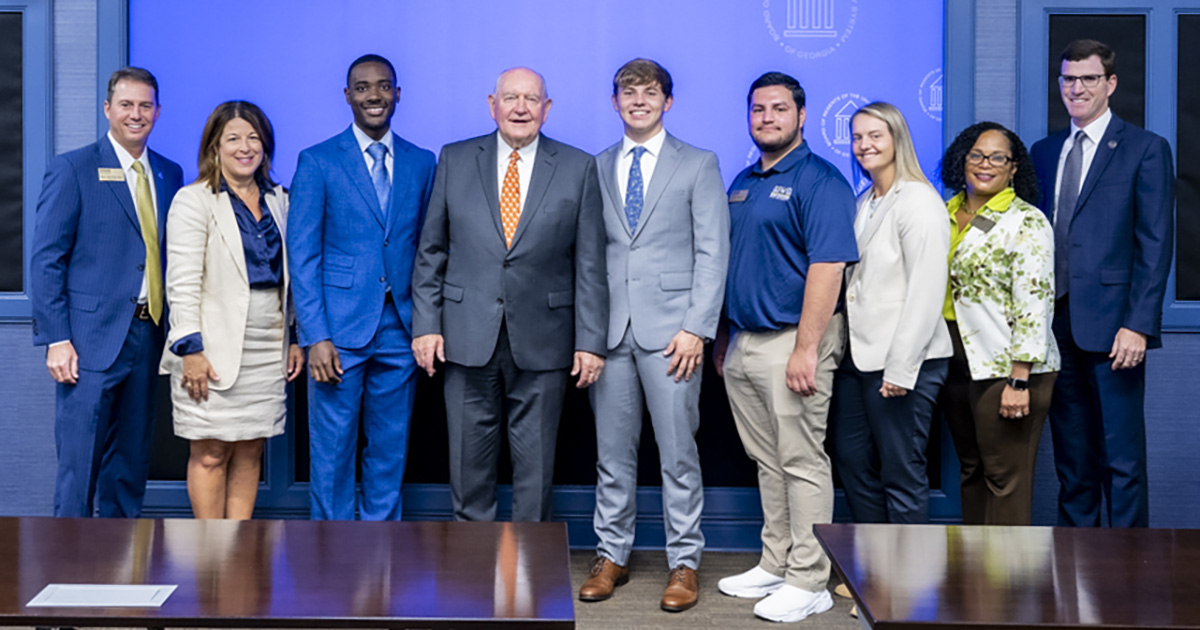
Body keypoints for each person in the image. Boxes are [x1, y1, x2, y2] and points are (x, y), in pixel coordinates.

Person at [411, 67, 607, 523]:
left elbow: (590, 264)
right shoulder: (455, 159)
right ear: (492, 103)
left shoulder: (579, 167)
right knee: (467, 467)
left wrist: (591, 340)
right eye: (511, 97)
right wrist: (426, 326)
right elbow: (430, 252)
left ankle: (527, 577)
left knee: (535, 471)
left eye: (532, 99)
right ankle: (474, 570)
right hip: (464, 337)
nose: (521, 108)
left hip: (546, 339)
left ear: (547, 108)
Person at [578, 58, 730, 612]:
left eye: (650, 91)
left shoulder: (698, 163)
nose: (638, 99)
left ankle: (684, 562)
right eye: (627, 91)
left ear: (668, 101)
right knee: (612, 455)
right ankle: (611, 554)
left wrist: (697, 328)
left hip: (674, 336)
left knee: (677, 454)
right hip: (611, 332)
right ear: (614, 101)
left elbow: (714, 252)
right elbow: (589, 258)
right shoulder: (595, 166)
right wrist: (588, 333)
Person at [713, 71, 858, 624]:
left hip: (794, 343)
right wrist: (726, 336)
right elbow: (736, 264)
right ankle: (776, 562)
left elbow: (827, 267)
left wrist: (807, 348)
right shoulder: (744, 179)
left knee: (801, 461)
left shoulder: (820, 181)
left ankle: (809, 578)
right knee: (767, 460)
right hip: (746, 341)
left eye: (778, 109)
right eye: (758, 110)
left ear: (801, 115)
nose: (767, 118)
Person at [1030, 39, 1174, 528]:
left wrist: (1138, 325)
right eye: (1069, 78)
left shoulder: (1145, 149)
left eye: (1089, 78)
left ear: (1110, 84)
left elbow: (1155, 246)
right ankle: (1075, 580)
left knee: (1122, 462)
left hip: (1115, 330)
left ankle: (1129, 580)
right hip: (1056, 329)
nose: (1077, 88)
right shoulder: (1045, 151)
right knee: (1073, 462)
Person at [30, 67, 184, 517]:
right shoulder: (73, 168)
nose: (136, 114)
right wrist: (56, 339)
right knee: (79, 465)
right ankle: (68, 569)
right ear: (107, 109)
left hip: (147, 334)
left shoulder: (168, 173)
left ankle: (121, 572)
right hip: (87, 340)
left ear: (157, 111)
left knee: (131, 465)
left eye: (145, 106)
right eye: (126, 105)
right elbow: (46, 258)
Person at [288, 54, 436, 520]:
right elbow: (303, 256)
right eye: (363, 87)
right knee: (332, 452)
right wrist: (314, 335)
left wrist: (426, 325)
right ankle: (329, 555)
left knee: (389, 448)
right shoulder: (317, 161)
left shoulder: (421, 162)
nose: (375, 95)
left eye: (384, 86)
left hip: (400, 326)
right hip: (337, 332)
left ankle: (378, 551)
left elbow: (429, 248)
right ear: (348, 95)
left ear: (397, 93)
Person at [161, 101, 304, 519]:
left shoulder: (281, 200)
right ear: (214, 147)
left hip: (267, 348)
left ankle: (237, 554)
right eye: (234, 139)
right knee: (210, 452)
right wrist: (191, 350)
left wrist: (295, 338)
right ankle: (210, 558)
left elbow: (291, 280)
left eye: (254, 138)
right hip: (212, 348)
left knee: (250, 450)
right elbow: (181, 282)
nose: (245, 147)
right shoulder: (194, 201)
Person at [832, 102, 951, 526]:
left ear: (898, 139)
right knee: (851, 460)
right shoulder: (866, 199)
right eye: (858, 137)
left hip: (904, 362)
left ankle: (903, 581)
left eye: (875, 136)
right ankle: (873, 569)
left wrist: (902, 368)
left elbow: (927, 288)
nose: (864, 145)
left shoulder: (918, 200)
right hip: (859, 357)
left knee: (901, 471)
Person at [939, 121, 1059, 526]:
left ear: (1013, 169)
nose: (985, 164)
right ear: (962, 159)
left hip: (1007, 366)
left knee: (1005, 479)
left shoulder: (1026, 221)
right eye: (976, 154)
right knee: (972, 470)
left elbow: (1035, 301)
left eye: (998, 157)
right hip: (953, 359)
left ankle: (1007, 586)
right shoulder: (945, 212)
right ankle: (975, 582)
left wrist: (1019, 379)